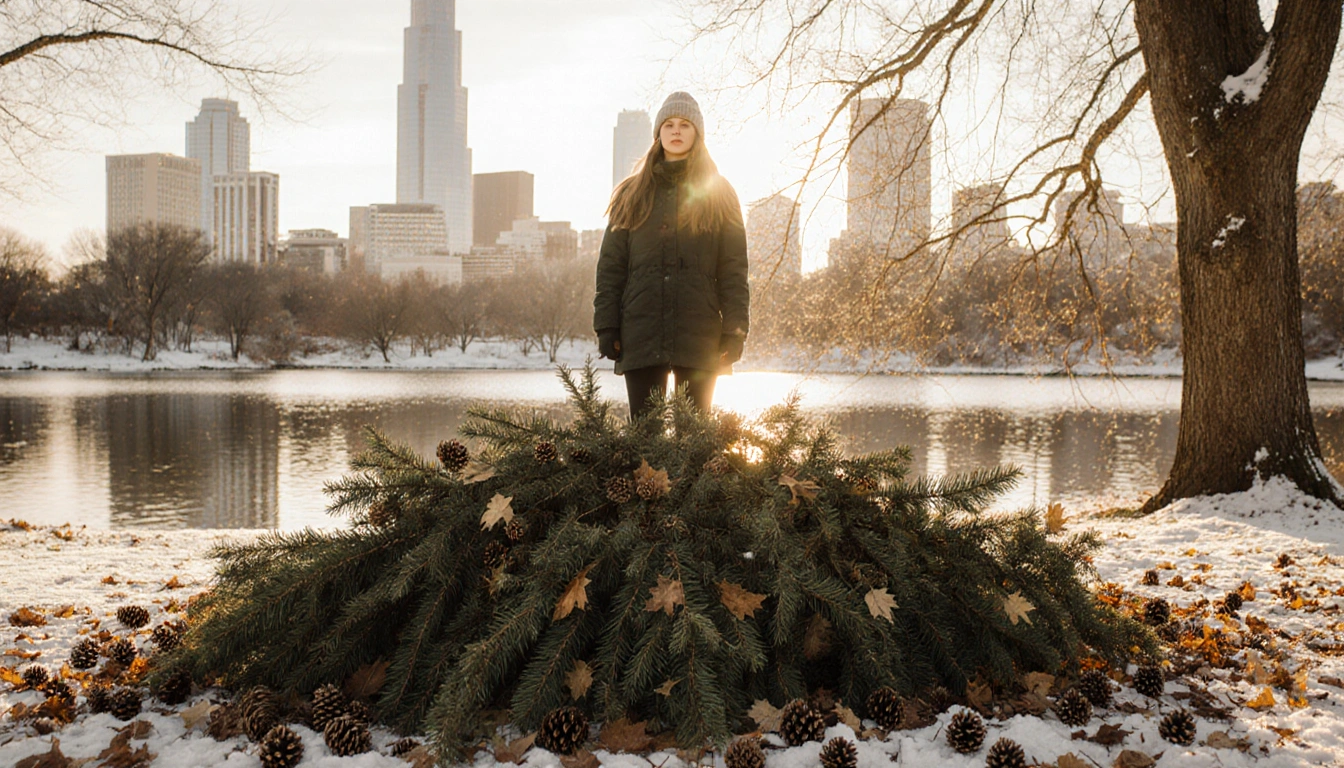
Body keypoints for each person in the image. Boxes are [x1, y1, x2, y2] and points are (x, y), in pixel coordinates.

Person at [593, 91, 750, 419]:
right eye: (668, 124)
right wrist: (607, 326)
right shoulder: (631, 193)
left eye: (684, 125)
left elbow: (734, 269)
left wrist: (735, 331)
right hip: (641, 330)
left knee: (693, 441)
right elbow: (611, 266)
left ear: (698, 134)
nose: (676, 131)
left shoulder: (719, 193)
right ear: (658, 133)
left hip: (699, 331)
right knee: (644, 439)